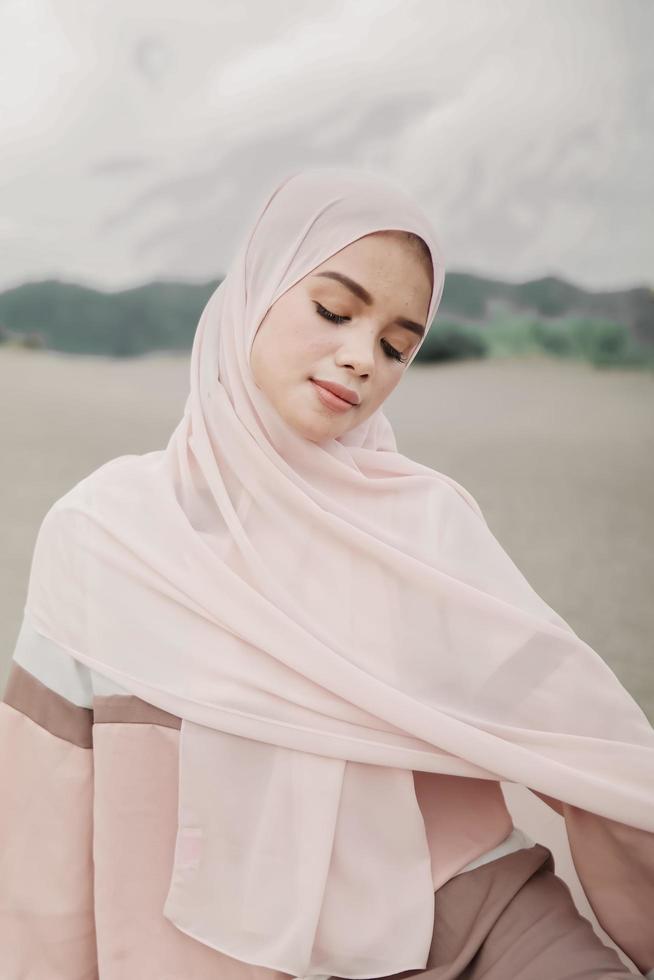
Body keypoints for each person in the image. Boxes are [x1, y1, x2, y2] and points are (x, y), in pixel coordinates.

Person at [1, 168, 652, 980]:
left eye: (394, 345)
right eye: (333, 312)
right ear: (256, 293)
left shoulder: (421, 521)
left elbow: (583, 743)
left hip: (470, 919)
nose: (360, 360)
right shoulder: (105, 533)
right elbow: (45, 843)